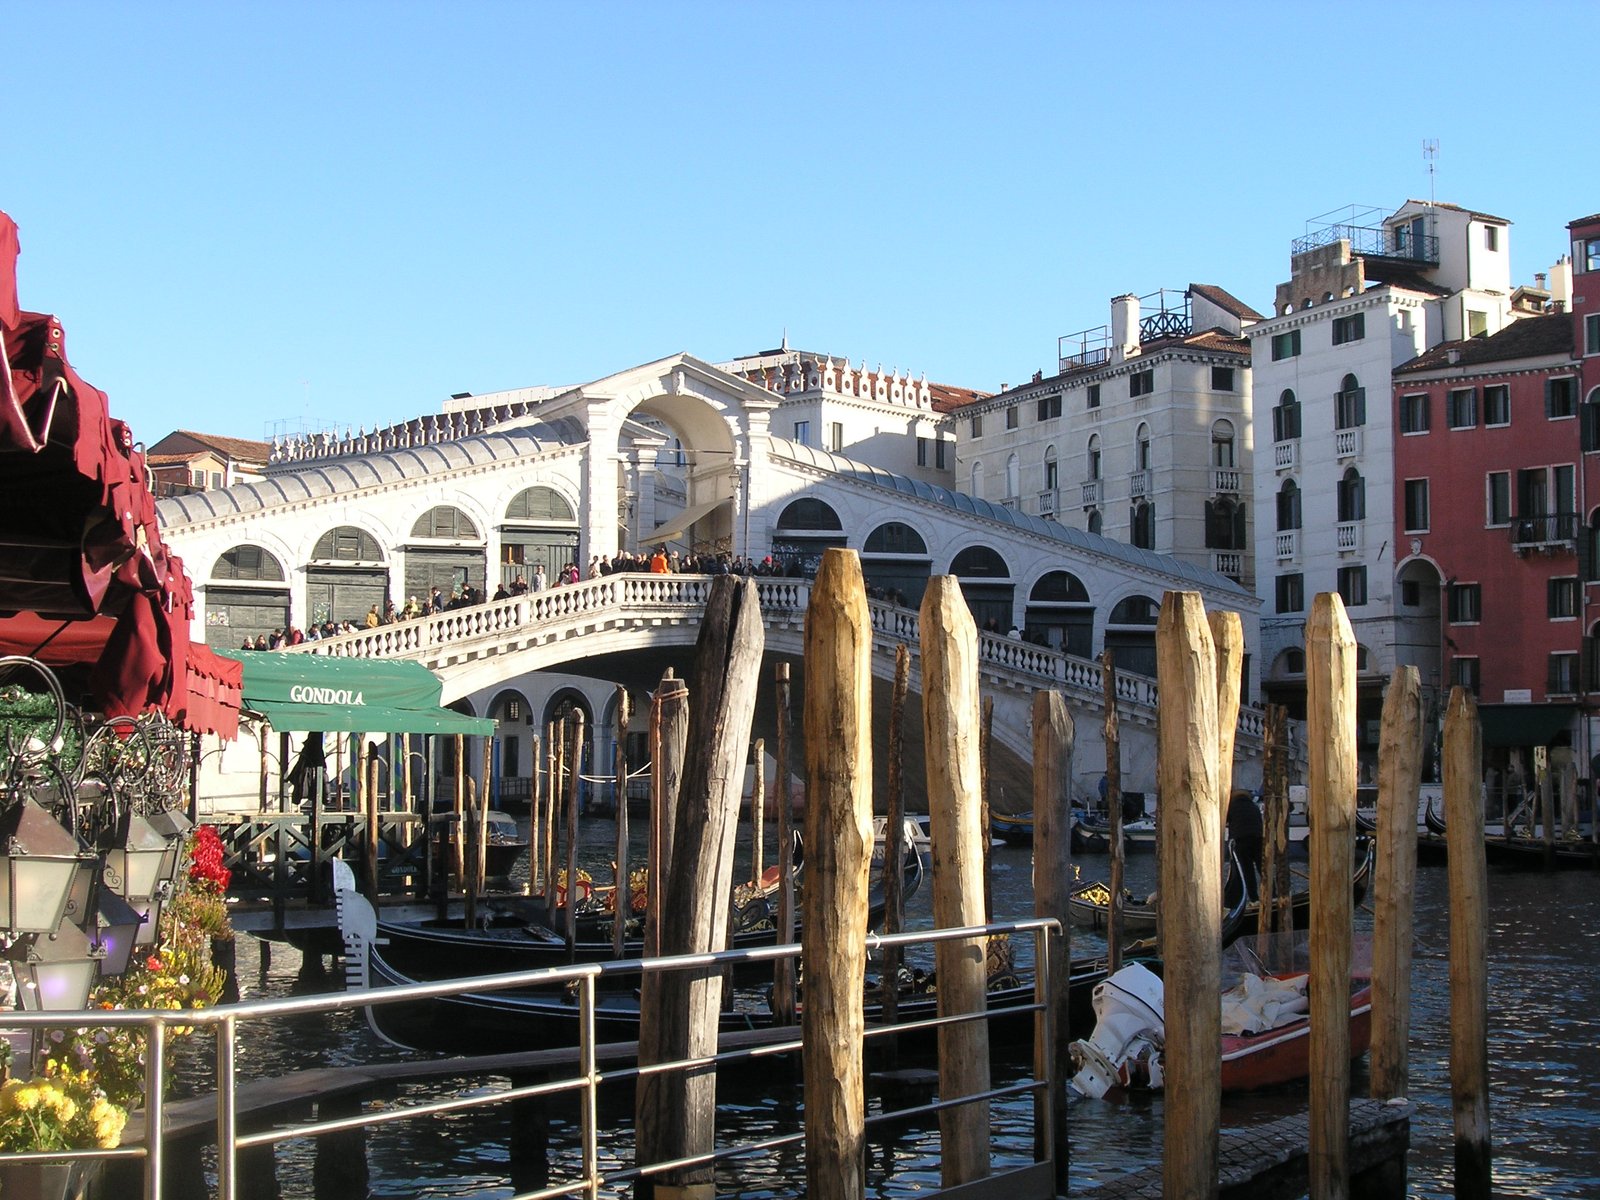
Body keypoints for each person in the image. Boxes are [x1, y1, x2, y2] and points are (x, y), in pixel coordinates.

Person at [1226, 789, 1264, 901]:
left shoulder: (1232, 807)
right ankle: (1274, 894)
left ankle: (1253, 898)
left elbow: (1226, 821)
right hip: (1258, 839)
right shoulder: (1254, 807)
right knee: (1263, 869)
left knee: (1247, 871)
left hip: (1241, 841)